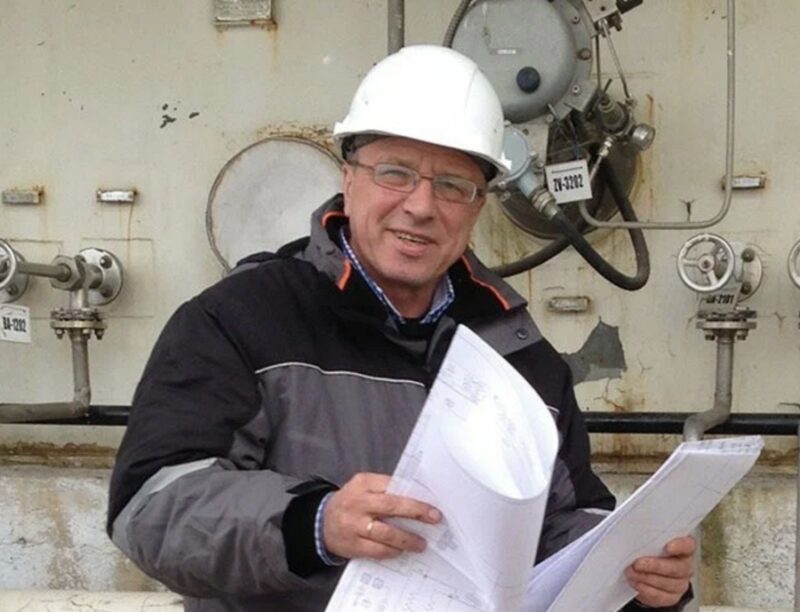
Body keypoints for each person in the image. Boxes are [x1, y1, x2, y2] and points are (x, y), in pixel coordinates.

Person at [107, 45, 694, 611]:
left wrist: (635, 571)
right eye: (395, 173)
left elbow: (561, 522)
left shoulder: (519, 352)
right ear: (349, 177)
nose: (420, 206)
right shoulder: (239, 319)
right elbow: (152, 507)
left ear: (478, 205)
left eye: (453, 186)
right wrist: (315, 522)